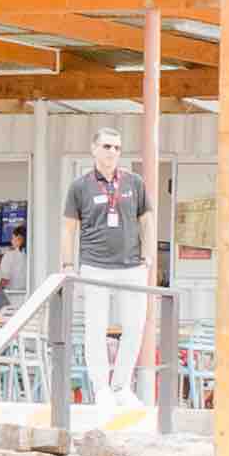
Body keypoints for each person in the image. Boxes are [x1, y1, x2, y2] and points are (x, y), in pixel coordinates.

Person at [63, 125, 158, 427]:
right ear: (93, 149)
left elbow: (147, 219)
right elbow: (68, 227)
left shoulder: (134, 182)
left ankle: (121, 386)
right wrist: (67, 264)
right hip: (94, 264)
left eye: (117, 147)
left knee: (134, 326)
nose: (112, 152)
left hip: (132, 265)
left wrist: (149, 255)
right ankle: (101, 387)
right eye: (106, 146)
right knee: (96, 328)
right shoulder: (80, 186)